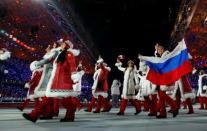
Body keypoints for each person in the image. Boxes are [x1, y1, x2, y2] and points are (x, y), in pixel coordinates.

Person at [139, 43, 178, 118]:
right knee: (161, 95)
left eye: (160, 49)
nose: (159, 51)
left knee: (162, 95)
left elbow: (159, 61)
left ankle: (174, 107)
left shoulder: (166, 55)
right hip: (163, 78)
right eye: (158, 50)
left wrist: (145, 57)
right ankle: (163, 112)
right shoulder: (163, 56)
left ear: (163, 49)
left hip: (166, 78)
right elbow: (158, 60)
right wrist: (156, 51)